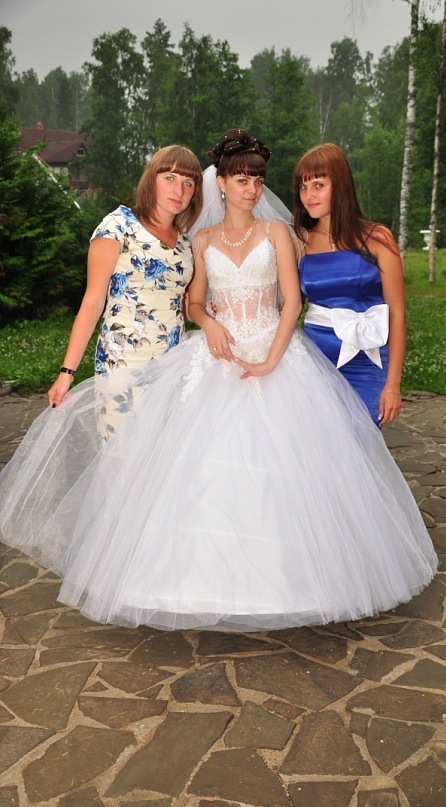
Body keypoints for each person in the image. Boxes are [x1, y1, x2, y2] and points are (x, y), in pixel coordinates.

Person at [0, 129, 437, 633]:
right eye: (241, 180)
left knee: (294, 466)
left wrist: (270, 360)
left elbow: (293, 303)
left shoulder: (279, 233)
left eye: (258, 180)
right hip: (215, 358)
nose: (252, 189)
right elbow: (193, 302)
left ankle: (308, 575)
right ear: (222, 185)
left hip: (276, 354)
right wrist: (207, 324)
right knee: (196, 467)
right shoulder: (200, 242)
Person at [48, 145, 203, 437]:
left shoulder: (186, 245)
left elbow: (177, 304)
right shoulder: (118, 226)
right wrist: (67, 372)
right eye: (170, 178)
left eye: (188, 182)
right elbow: (92, 302)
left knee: (164, 455)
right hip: (123, 365)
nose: (179, 190)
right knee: (122, 455)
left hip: (172, 366)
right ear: (152, 180)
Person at [294, 142, 405, 427]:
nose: (309, 196)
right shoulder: (300, 243)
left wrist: (393, 385)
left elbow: (397, 314)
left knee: (363, 438)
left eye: (318, 185)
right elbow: (289, 306)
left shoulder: (378, 237)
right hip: (316, 362)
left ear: (340, 185)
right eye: (303, 187)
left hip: (369, 362)